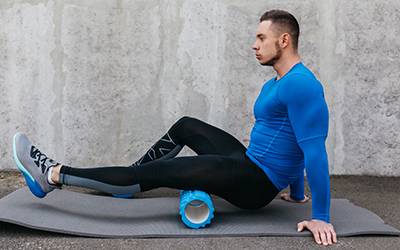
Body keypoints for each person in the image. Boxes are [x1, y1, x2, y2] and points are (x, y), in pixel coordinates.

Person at [13, 9, 337, 246]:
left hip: (255, 183)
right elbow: (291, 136)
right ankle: (127, 180)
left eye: (261, 38)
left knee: (160, 174)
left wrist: (320, 217)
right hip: (249, 162)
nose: (254, 45)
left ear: (284, 40)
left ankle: (53, 174)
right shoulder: (278, 82)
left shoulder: (302, 86)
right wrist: (295, 194)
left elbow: (313, 151)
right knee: (187, 126)